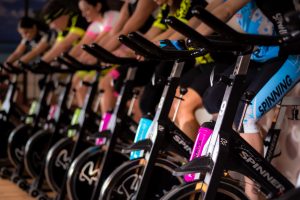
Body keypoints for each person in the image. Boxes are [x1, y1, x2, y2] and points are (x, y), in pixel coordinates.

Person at [190, 0, 300, 199]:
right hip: (259, 58)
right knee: (214, 99)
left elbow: (225, 10)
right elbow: (208, 11)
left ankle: (252, 190)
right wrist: (178, 38)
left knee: (246, 115)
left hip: (289, 55)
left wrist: (190, 39)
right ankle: (251, 152)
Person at [69, 0, 120, 107]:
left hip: (119, 60)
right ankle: (86, 117)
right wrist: (68, 57)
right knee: (77, 80)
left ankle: (105, 120)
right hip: (103, 62)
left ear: (98, 6)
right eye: (82, 11)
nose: (83, 14)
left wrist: (86, 57)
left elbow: (102, 40)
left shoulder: (112, 16)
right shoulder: (94, 26)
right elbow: (82, 45)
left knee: (100, 84)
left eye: (87, 9)